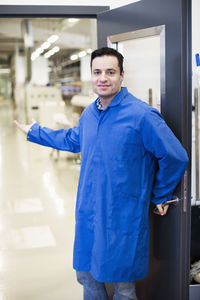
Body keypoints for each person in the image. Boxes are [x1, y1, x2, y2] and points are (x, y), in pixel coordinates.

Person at [14, 47, 189, 300]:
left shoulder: (141, 116)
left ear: (121, 75)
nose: (103, 78)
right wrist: (36, 132)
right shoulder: (90, 112)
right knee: (86, 275)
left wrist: (160, 194)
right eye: (97, 72)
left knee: (123, 286)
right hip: (88, 212)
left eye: (110, 72)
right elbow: (73, 139)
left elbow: (175, 156)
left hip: (122, 218)